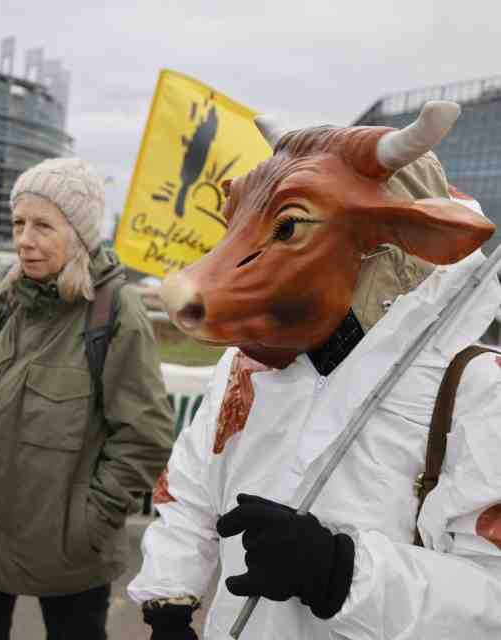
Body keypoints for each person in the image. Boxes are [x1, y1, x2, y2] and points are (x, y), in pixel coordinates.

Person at [130, 109, 501, 639]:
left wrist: (340, 573)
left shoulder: (478, 389)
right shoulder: (249, 367)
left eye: (290, 226)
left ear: (391, 242)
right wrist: (168, 600)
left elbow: (492, 600)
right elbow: (190, 489)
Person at [0, 157, 174, 640]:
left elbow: (145, 436)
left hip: (69, 555)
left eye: (43, 225)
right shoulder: (8, 301)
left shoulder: (115, 313)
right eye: (18, 223)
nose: (24, 239)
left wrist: (88, 524)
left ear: (80, 234)